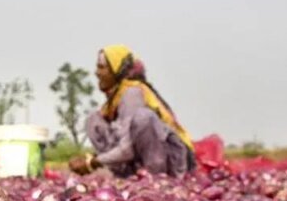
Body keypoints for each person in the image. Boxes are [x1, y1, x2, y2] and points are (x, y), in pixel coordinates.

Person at [70, 45, 195, 177]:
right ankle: (130, 176)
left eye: (102, 67)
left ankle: (156, 177)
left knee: (143, 117)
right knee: (93, 120)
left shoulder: (132, 94)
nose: (96, 73)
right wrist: (91, 158)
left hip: (172, 162)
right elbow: (122, 141)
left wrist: (93, 162)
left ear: (117, 71)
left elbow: (127, 149)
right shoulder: (113, 101)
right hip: (137, 161)